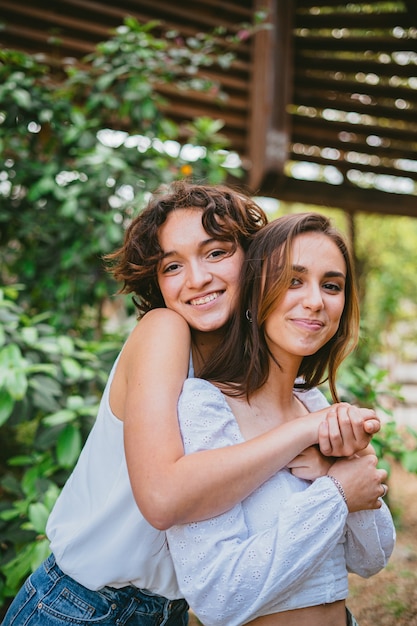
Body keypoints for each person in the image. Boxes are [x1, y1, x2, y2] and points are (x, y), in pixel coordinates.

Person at [1, 184, 381, 626]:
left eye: (216, 253)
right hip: (82, 606)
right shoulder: (165, 331)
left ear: (255, 262)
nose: (196, 279)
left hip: (168, 611)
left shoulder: (250, 375)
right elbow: (163, 498)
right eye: (173, 265)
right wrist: (307, 431)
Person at [165, 212, 396, 626]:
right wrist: (336, 492)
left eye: (331, 285)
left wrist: (342, 470)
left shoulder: (313, 401)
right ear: (256, 295)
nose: (315, 300)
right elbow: (218, 596)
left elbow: (371, 558)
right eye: (293, 280)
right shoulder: (207, 406)